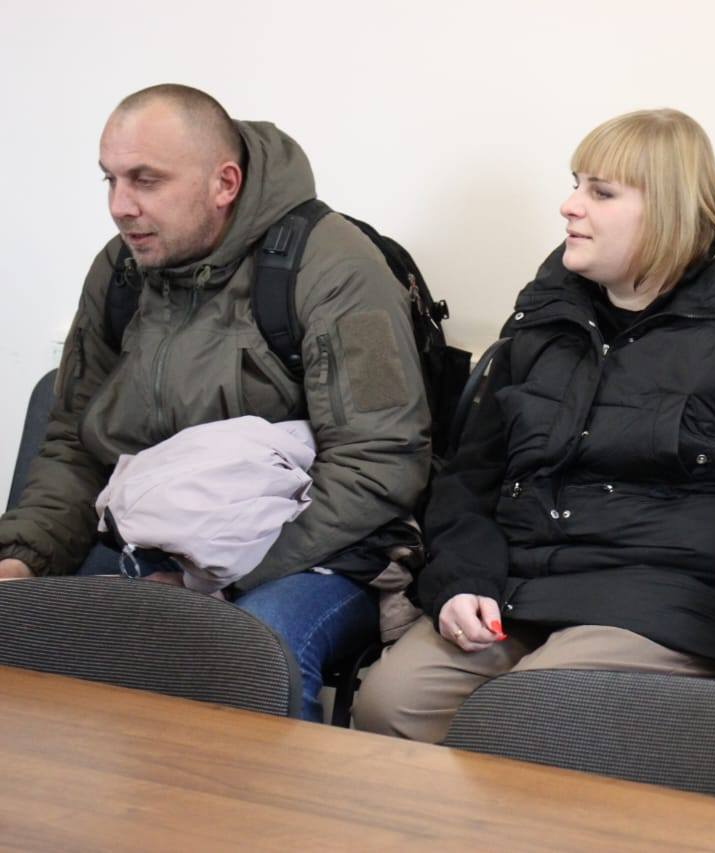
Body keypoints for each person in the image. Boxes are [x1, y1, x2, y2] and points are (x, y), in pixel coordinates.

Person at [354, 108, 715, 741]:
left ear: (667, 209)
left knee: (533, 713)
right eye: (576, 184)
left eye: (601, 192)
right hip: (526, 585)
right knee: (390, 704)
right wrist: (462, 580)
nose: (569, 206)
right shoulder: (545, 311)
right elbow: (472, 476)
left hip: (679, 599)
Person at [0, 84, 432, 722]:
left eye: (146, 180)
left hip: (309, 553)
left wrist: (216, 577)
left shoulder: (338, 269)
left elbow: (381, 462)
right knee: (34, 635)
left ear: (224, 182)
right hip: (149, 536)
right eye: (110, 180)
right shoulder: (121, 271)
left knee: (249, 656)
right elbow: (76, 441)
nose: (120, 207)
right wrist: (23, 557)